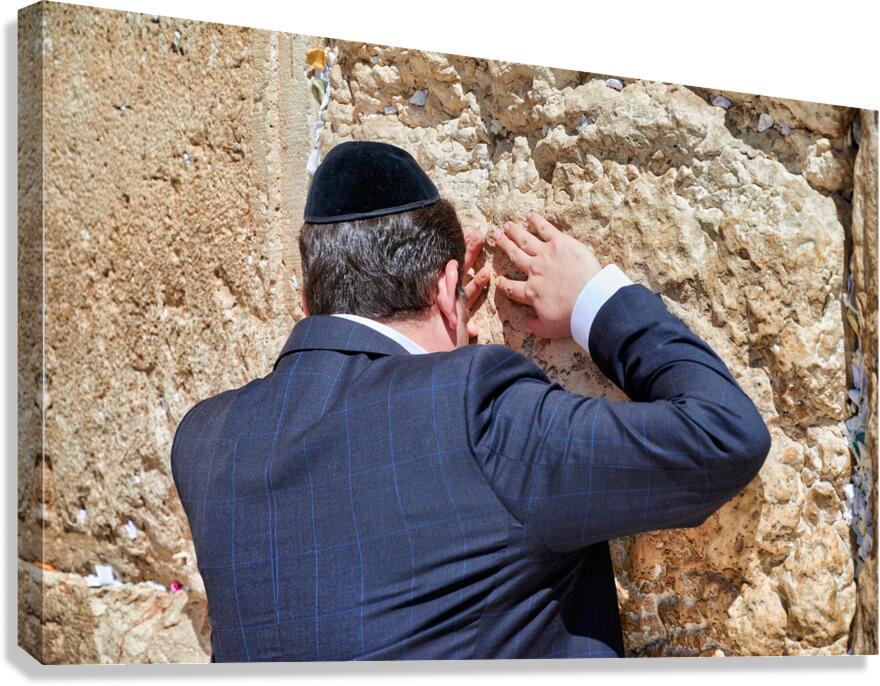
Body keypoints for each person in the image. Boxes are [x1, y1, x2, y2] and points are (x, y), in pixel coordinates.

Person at [170, 140, 772, 661]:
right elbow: (723, 435)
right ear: (448, 289)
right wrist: (594, 300)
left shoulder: (206, 444)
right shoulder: (473, 407)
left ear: (307, 301)